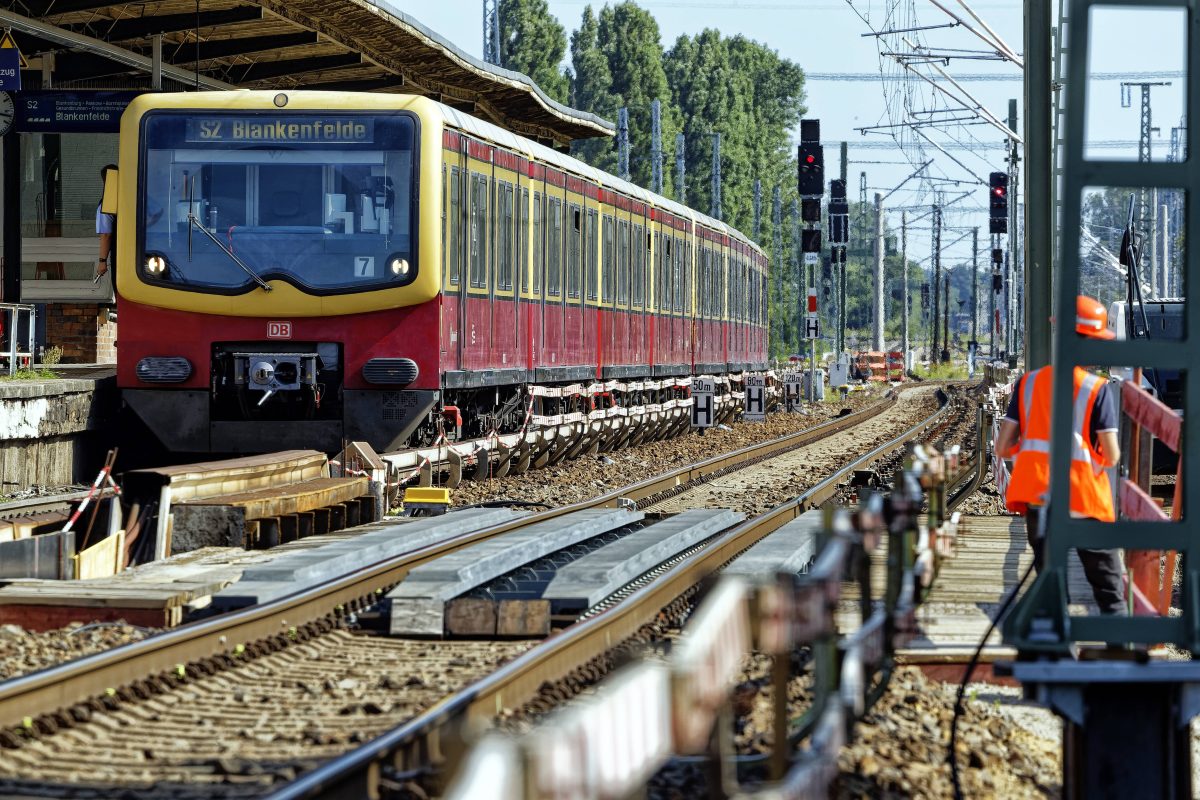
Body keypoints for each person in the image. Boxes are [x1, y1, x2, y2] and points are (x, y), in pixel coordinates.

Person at [994, 294, 1125, 615]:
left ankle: (1058, 656)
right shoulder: (1096, 389)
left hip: (1041, 501)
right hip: (1085, 502)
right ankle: (1120, 655)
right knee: (1109, 592)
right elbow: (1111, 455)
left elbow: (1003, 447)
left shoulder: (1028, 383)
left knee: (1053, 588)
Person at [95, 164, 117, 281]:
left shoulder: (106, 205)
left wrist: (102, 261)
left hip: (119, 253)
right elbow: (156, 212)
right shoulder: (133, 198)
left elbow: (106, 235)